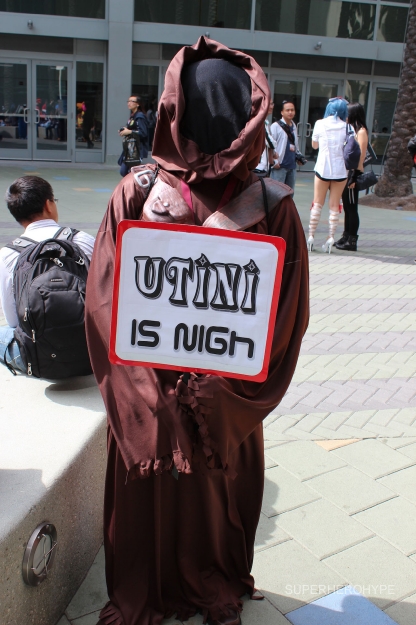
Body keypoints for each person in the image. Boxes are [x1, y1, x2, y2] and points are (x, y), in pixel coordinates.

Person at [86, 37, 309, 625]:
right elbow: (105, 303)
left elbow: (285, 316)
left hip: (220, 396)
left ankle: (206, 586)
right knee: (163, 492)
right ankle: (164, 591)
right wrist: (147, 396)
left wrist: (219, 395)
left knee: (205, 498)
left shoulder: (273, 205)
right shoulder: (138, 193)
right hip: (159, 387)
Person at [0, 176, 95, 373]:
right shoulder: (83, 240)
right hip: (92, 355)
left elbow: (14, 321)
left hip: (39, 362)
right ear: (48, 204)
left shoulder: (7, 255)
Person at [307, 97, 348, 254]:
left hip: (322, 168)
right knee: (334, 206)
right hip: (340, 170)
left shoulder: (320, 123)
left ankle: (311, 236)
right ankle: (330, 238)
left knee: (317, 203)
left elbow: (314, 145)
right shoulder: (347, 127)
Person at [335, 103, 368, 252]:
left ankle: (352, 240)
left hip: (354, 173)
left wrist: (354, 176)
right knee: (347, 207)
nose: (345, 116)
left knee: (352, 208)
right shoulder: (353, 130)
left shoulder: (361, 132)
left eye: (347, 113)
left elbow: (361, 156)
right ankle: (346, 236)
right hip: (347, 173)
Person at [270, 100, 300, 192]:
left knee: (289, 194)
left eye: (292, 110)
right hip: (280, 166)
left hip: (292, 166)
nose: (290, 112)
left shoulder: (294, 126)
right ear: (282, 112)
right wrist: (274, 162)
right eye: (287, 110)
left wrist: (299, 157)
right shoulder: (275, 126)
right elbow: (270, 146)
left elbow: (295, 144)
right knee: (277, 193)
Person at [119, 95, 149, 177]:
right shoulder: (133, 116)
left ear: (138, 104)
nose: (129, 103)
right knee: (125, 171)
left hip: (136, 149)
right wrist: (124, 130)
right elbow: (132, 128)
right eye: (128, 101)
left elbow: (143, 133)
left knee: (125, 171)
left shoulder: (140, 116)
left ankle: (142, 180)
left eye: (132, 101)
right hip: (130, 148)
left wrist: (129, 131)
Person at [252, 100, 277, 176]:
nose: (271, 106)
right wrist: (274, 148)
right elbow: (271, 143)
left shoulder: (265, 121)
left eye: (272, 104)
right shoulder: (260, 121)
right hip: (258, 166)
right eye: (268, 104)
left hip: (263, 166)